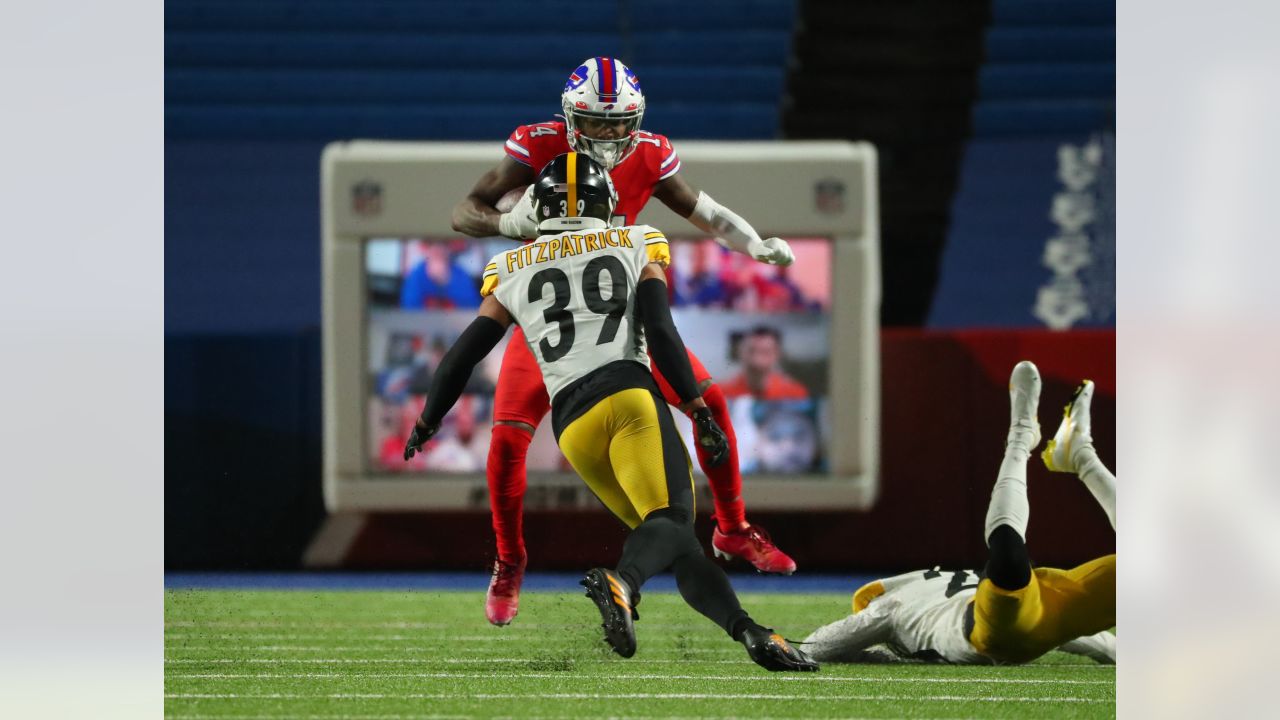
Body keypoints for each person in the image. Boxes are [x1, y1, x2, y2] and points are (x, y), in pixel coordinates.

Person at [407, 153, 818, 672]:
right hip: (627, 398)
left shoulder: (509, 266)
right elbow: (662, 332)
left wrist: (427, 421)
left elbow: (461, 357)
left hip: (571, 425)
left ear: (537, 206)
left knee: (674, 540)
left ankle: (750, 632)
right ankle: (622, 582)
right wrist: (696, 407)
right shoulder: (634, 241)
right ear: (607, 203)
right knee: (669, 521)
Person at [451, 57, 799, 625]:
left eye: (619, 124)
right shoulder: (538, 146)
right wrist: (508, 225)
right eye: (595, 123)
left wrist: (755, 244)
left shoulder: (651, 153)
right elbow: (466, 212)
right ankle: (510, 560)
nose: (610, 135)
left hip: (620, 316)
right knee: (506, 444)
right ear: (569, 119)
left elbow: (702, 210)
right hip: (549, 317)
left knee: (708, 401)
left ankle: (733, 529)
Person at [801, 362, 1116, 665]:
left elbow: (817, 645)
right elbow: (1072, 633)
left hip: (1020, 611)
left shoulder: (890, 608)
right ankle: (1030, 441)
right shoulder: (893, 605)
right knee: (1008, 560)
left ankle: (1076, 453)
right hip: (996, 624)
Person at [720, 326, 810, 401]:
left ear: (777, 354)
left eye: (765, 352)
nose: (757, 360)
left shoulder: (795, 393)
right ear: (739, 353)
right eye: (751, 351)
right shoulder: (722, 392)